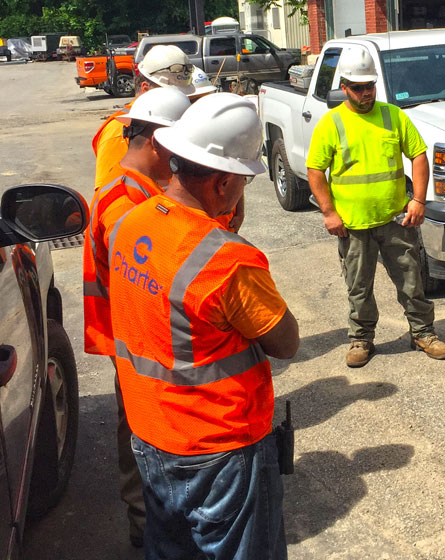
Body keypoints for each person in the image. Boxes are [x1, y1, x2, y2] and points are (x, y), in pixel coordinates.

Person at [107, 92, 298, 559]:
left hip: (151, 433)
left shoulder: (130, 222)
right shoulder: (225, 260)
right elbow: (285, 340)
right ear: (222, 182)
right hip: (219, 448)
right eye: (243, 182)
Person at [83, 86, 191, 547]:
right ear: (156, 142)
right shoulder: (129, 207)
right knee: (144, 431)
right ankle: (147, 524)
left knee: (143, 427)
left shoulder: (128, 190)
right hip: (137, 342)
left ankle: (150, 519)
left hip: (130, 338)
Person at [306, 46, 445, 368]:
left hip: (395, 219)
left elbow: (418, 155)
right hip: (353, 224)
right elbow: (315, 170)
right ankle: (361, 339)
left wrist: (418, 200)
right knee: (358, 287)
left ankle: (423, 332)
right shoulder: (332, 123)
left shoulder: (393, 116)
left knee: (412, 282)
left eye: (369, 86)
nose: (365, 93)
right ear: (344, 87)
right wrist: (329, 213)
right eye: (358, 88)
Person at [93, 45, 196, 190]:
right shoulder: (118, 131)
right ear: (145, 89)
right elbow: (111, 190)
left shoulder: (165, 121)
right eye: (171, 94)